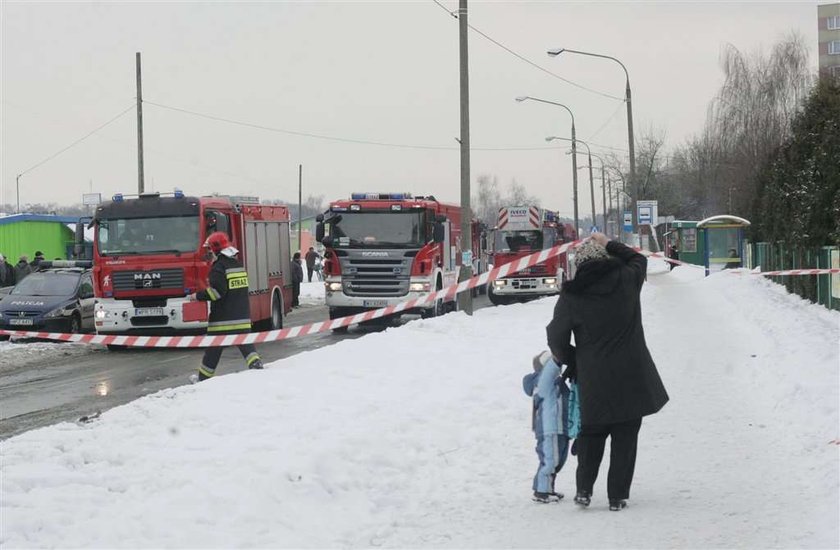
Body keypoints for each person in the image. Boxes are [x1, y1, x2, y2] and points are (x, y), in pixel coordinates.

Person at [546, 232, 669, 512]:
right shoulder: (627, 280)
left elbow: (555, 337)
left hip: (594, 377)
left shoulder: (572, 295)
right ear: (606, 259)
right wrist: (607, 243)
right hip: (632, 373)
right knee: (626, 433)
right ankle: (617, 496)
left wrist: (573, 358)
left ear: (580, 267)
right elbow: (637, 258)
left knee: (591, 433)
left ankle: (584, 490)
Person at [188, 232, 263, 382]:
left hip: (222, 321)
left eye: (209, 249)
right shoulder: (237, 265)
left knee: (212, 352)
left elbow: (216, 293)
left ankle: (203, 379)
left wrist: (197, 296)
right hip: (242, 317)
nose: (208, 253)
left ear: (215, 249)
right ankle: (256, 364)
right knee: (246, 345)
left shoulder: (218, 268)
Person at [522, 349, 578, 503]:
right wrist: (557, 357)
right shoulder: (543, 382)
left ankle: (548, 488)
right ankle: (541, 492)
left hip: (560, 429)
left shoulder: (557, 384)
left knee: (558, 461)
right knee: (550, 460)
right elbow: (549, 371)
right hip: (550, 428)